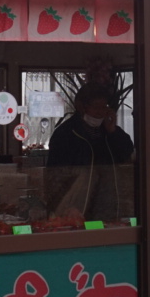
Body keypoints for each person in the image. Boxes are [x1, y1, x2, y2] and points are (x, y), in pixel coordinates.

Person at [47, 82, 135, 222]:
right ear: (81, 107)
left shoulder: (108, 131)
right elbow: (54, 176)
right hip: (77, 207)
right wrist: (65, 205)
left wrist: (112, 131)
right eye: (96, 107)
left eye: (104, 107)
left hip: (108, 205)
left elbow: (127, 155)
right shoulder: (65, 134)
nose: (101, 112)